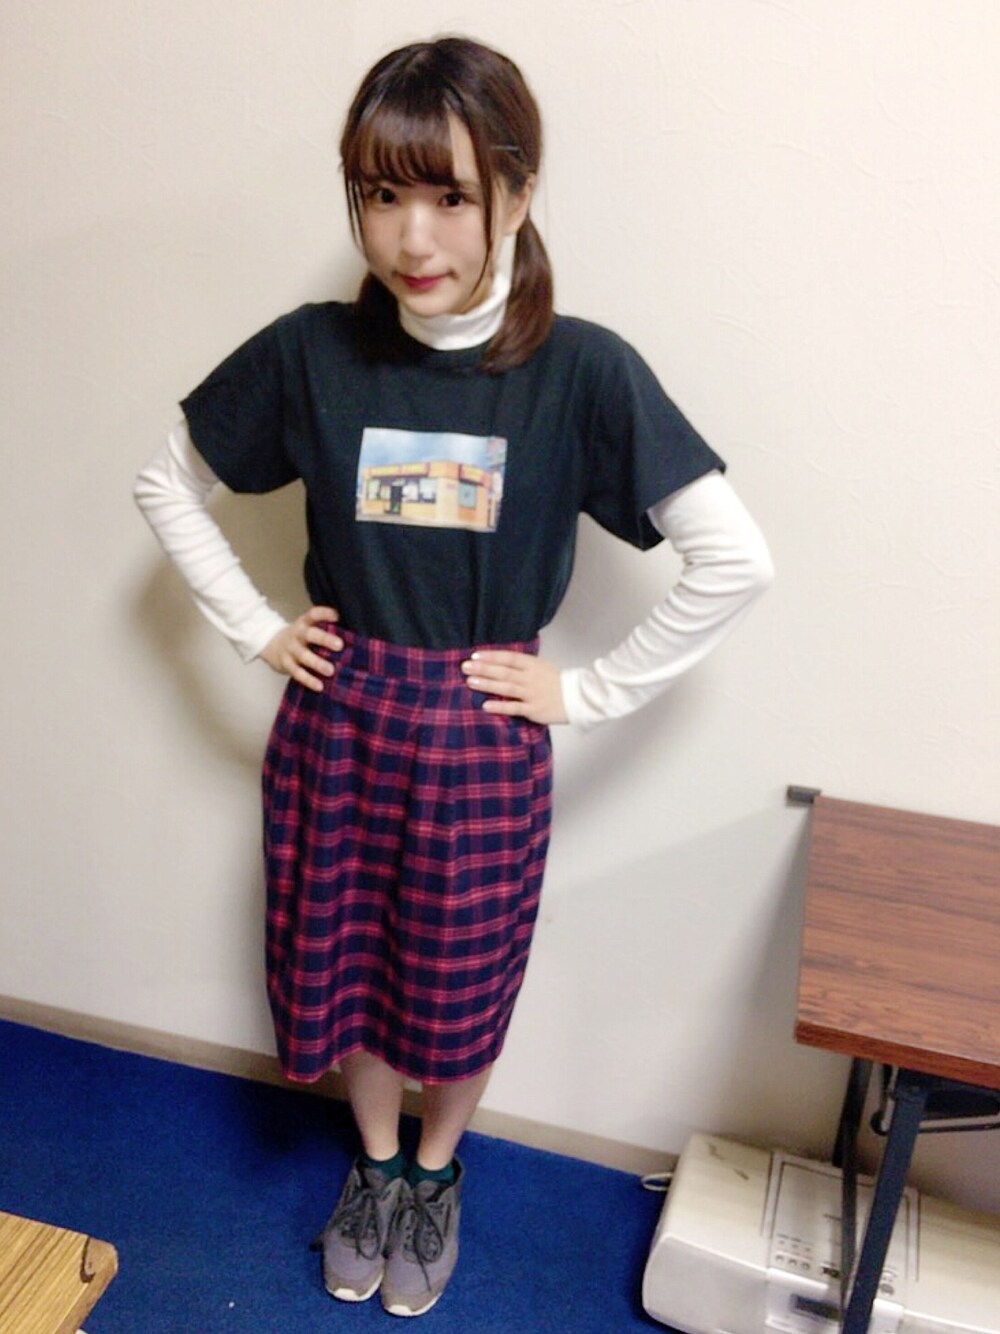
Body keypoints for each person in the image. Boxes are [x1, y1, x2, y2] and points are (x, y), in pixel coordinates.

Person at [134, 35, 773, 1318]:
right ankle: (374, 1164)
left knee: (457, 976)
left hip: (479, 737)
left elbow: (734, 558)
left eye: (450, 195)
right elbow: (166, 482)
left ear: (517, 196)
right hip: (339, 717)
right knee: (344, 963)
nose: (412, 236)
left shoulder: (581, 370)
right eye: (381, 195)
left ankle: (435, 1172)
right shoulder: (313, 353)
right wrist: (257, 628)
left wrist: (582, 692)